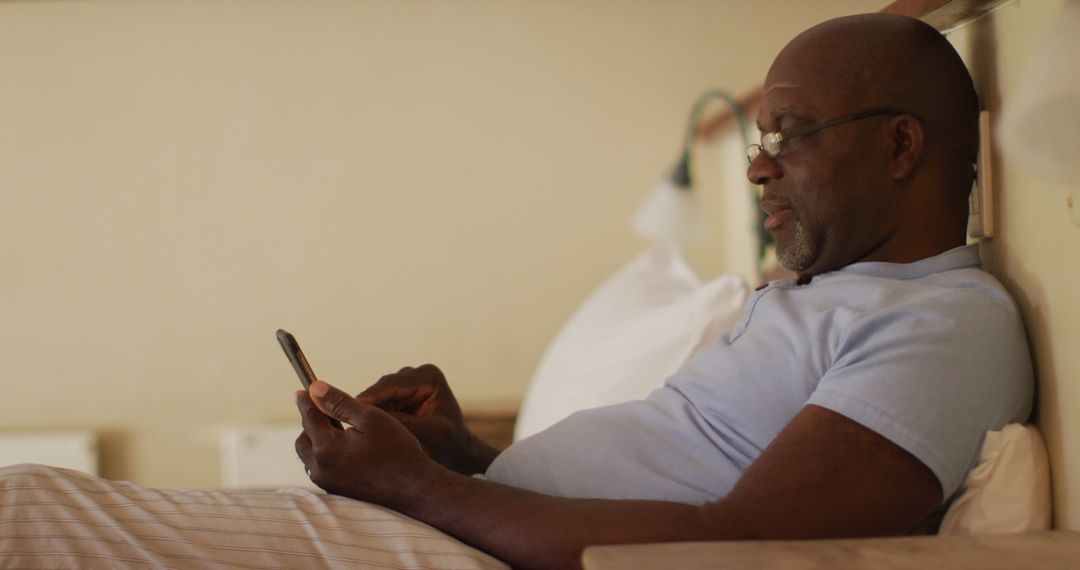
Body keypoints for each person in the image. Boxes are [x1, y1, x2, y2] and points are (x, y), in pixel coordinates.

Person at [0, 13, 1032, 570]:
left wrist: (418, 487)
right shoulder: (819, 297)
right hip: (457, 527)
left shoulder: (944, 324)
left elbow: (744, 550)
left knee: (23, 515)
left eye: (791, 136)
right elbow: (665, 486)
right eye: (758, 142)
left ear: (903, 145)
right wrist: (466, 457)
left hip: (457, 547)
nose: (760, 168)